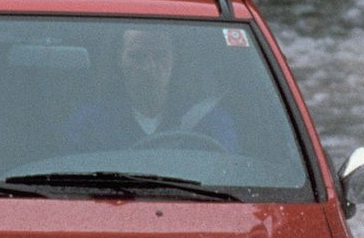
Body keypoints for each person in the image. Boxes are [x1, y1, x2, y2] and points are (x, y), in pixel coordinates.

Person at [63, 27, 237, 153]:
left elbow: (226, 174)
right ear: (119, 60)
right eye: (137, 56)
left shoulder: (209, 122)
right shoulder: (89, 123)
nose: (149, 68)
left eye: (160, 56)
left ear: (175, 60)